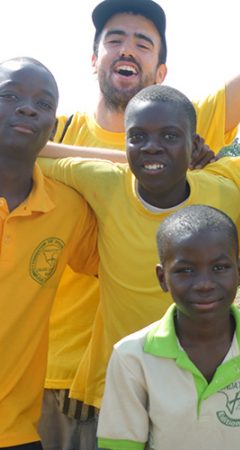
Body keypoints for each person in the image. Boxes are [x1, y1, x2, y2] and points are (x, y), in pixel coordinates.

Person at [39, 0, 240, 446]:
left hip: (173, 377)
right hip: (57, 370)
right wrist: (133, 159)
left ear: (161, 71)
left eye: (143, 43)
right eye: (114, 40)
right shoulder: (58, 133)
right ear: (93, 58)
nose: (127, 50)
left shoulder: (189, 124)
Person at [38, 85, 240, 441]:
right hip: (119, 391)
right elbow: (31, 151)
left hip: (200, 391)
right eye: (138, 137)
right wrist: (128, 158)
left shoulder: (224, 195)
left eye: (169, 136)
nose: (152, 146)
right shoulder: (104, 182)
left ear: (192, 141)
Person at [97, 205, 240, 450]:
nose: (204, 284)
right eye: (185, 271)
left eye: (219, 268)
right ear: (162, 278)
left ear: (239, 271)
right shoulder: (132, 357)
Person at [0, 57, 98, 449]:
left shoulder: (68, 209)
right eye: (10, 96)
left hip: (18, 432)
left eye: (43, 104)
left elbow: (121, 267)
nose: (27, 108)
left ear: (53, 127)